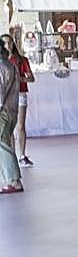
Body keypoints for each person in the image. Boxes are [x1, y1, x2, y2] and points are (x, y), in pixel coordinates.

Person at [1, 32, 33, 167]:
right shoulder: (3, 62)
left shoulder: (21, 60)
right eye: (5, 43)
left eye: (10, 42)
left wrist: (18, 79)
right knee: (8, 128)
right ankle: (12, 155)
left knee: (20, 125)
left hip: (20, 94)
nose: (8, 45)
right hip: (6, 97)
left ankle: (22, 155)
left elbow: (31, 78)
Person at [0, 43, 19, 195]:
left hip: (3, 111)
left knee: (3, 145)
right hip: (12, 109)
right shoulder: (10, 66)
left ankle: (13, 180)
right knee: (4, 143)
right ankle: (9, 179)